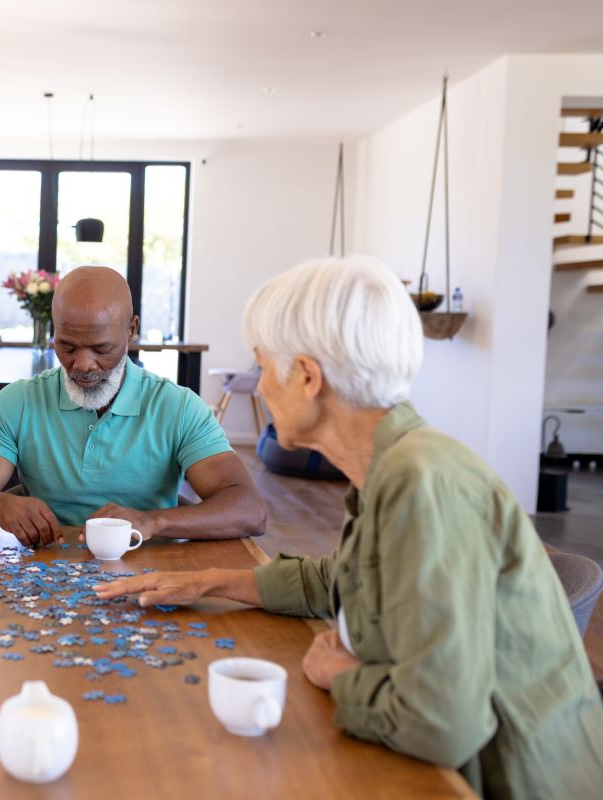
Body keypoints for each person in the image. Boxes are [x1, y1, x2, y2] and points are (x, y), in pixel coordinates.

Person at [96, 257, 603, 797]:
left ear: (309, 378)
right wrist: (207, 581)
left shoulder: (420, 481)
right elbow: (346, 577)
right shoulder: (396, 464)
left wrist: (338, 675)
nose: (262, 387)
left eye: (265, 367)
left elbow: (441, 723)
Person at [0, 266, 266, 546]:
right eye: (67, 346)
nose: (82, 364)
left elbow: (250, 510)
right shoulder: (19, 400)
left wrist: (154, 522)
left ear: (132, 331)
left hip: (154, 572)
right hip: (46, 571)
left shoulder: (178, 407)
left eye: (101, 348)